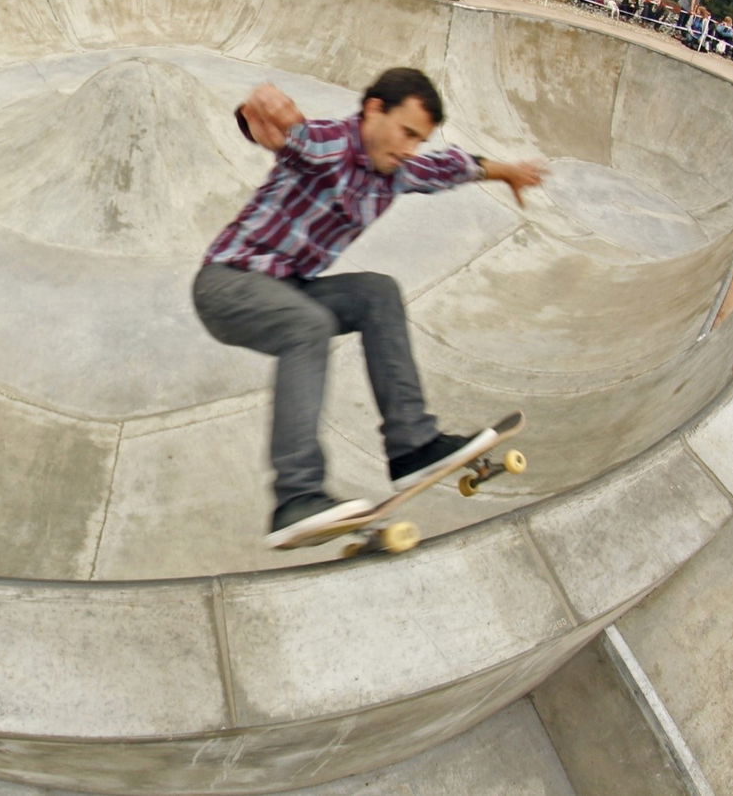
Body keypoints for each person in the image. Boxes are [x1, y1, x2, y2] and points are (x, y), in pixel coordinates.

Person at [192, 69, 545, 549]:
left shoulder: (395, 170)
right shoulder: (332, 143)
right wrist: (256, 114)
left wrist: (507, 172)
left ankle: (413, 446)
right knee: (306, 325)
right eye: (407, 133)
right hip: (227, 285)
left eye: (419, 139)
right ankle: (296, 496)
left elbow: (450, 167)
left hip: (289, 289)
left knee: (376, 294)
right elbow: (288, 136)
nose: (410, 149)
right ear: (374, 110)